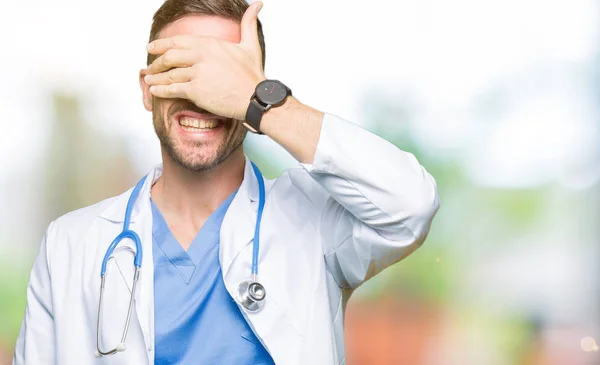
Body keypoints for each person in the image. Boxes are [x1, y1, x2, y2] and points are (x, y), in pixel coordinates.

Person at [13, 0, 440, 364]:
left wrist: (262, 101)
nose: (203, 95)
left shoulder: (315, 222)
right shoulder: (69, 246)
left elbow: (411, 206)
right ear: (147, 90)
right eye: (182, 70)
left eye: (222, 77)